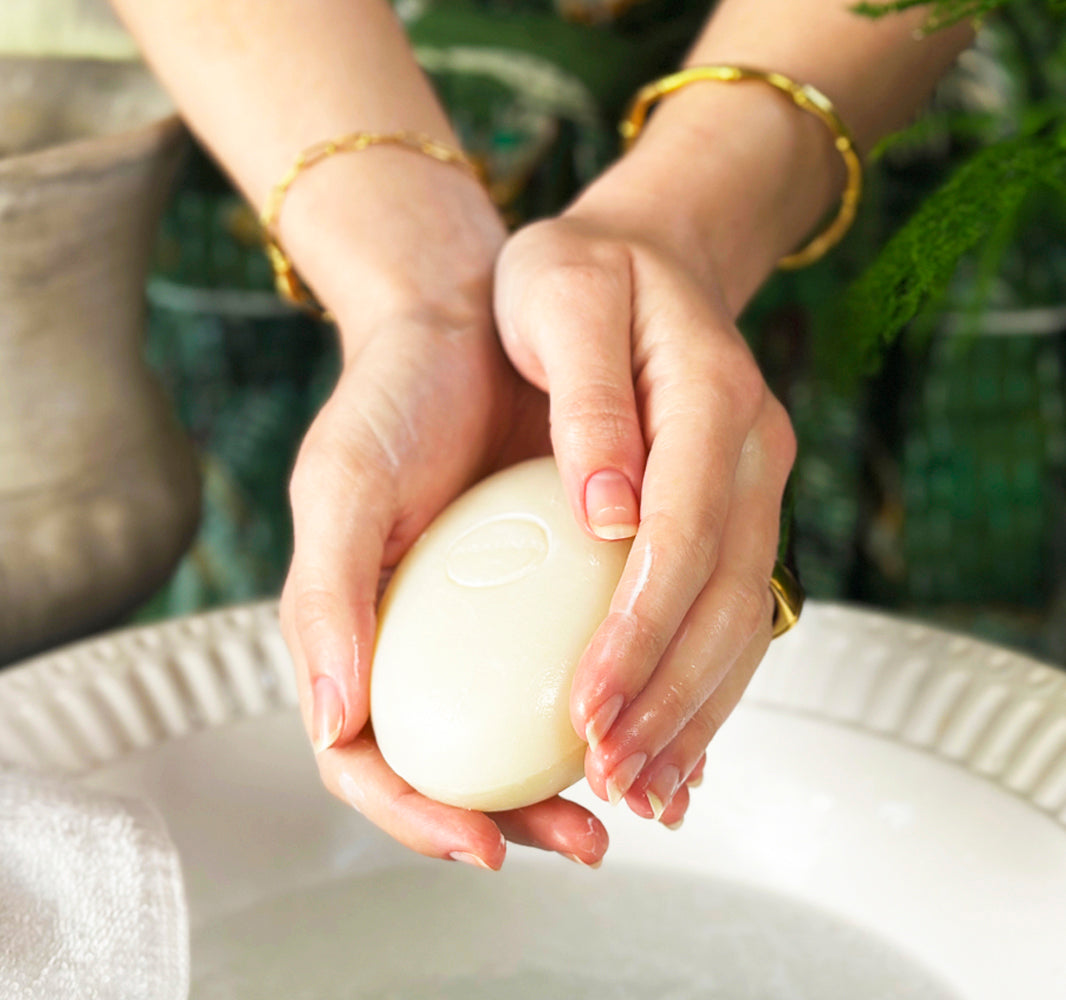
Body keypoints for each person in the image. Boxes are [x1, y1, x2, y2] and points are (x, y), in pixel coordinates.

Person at [108, 0, 972, 869]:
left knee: (932, 802)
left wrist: (686, 212)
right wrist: (415, 278)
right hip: (269, 102)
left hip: (902, 134)